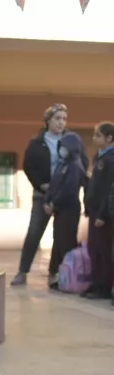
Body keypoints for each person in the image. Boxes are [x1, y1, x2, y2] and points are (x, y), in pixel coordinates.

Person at [11, 104, 88, 286]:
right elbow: (29, 166)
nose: (61, 122)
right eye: (57, 118)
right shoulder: (37, 142)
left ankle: (55, 272)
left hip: (65, 197)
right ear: (47, 121)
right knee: (34, 232)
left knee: (61, 235)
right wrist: (41, 184)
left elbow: (82, 163)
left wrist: (71, 183)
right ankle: (22, 272)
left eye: (64, 119)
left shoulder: (72, 140)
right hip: (43, 195)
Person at [42, 132, 85, 289]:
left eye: (65, 146)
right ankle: (57, 274)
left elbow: (69, 190)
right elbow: (54, 185)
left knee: (66, 242)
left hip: (69, 210)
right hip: (59, 210)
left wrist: (54, 203)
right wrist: (47, 201)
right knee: (58, 241)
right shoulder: (62, 164)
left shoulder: (75, 166)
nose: (62, 149)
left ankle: (69, 277)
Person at [83, 121, 114, 302]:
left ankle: (104, 287)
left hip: (104, 214)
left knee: (104, 251)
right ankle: (96, 283)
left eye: (98, 135)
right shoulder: (99, 157)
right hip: (94, 211)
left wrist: (102, 214)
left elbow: (108, 190)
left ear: (109, 138)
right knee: (93, 248)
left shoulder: (111, 159)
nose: (94, 138)